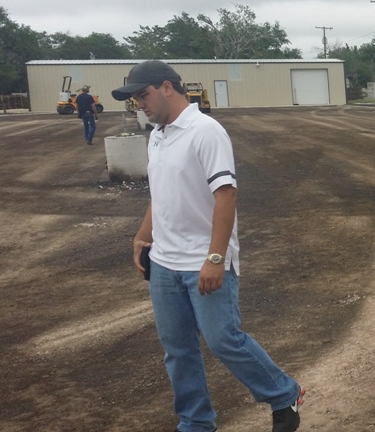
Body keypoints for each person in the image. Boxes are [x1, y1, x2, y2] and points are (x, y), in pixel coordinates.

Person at [112, 61, 304, 432]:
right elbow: (160, 193)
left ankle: (284, 394)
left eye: (143, 95)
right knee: (177, 350)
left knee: (223, 340)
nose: (140, 104)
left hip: (204, 260)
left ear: (167, 87)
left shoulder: (205, 131)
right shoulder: (158, 135)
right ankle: (196, 422)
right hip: (164, 265)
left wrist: (215, 258)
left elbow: (226, 195)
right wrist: (143, 236)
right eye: (135, 99)